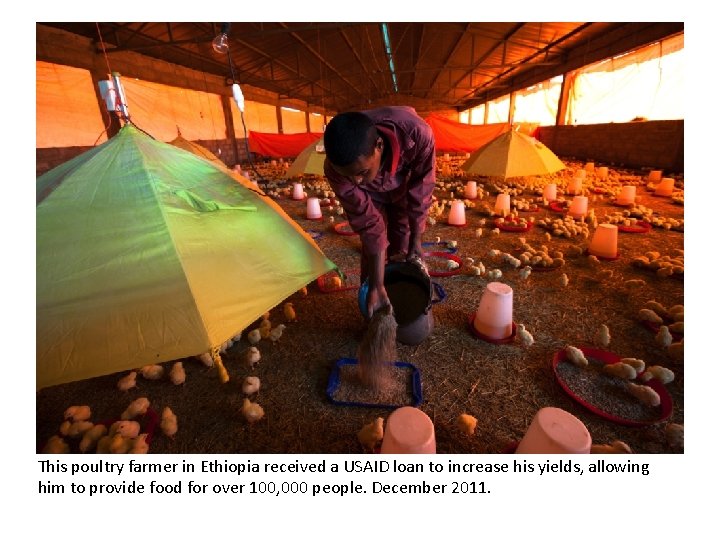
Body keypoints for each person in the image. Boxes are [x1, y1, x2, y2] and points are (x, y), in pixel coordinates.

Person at [323, 106, 436, 318]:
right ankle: (375, 304)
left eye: (361, 172)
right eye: (348, 176)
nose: (355, 181)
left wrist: (416, 240)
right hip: (370, 195)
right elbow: (368, 224)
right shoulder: (335, 170)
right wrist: (375, 283)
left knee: (401, 246)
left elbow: (421, 189)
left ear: (379, 146)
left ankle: (399, 306)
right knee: (372, 250)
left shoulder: (417, 134)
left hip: (403, 187)